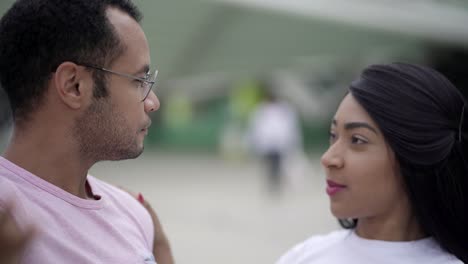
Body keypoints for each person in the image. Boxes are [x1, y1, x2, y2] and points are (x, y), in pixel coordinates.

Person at [0, 0, 174, 263]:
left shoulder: (132, 212)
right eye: (138, 81)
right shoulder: (8, 219)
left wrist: (160, 247)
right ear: (74, 85)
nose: (153, 103)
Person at [277, 63, 467, 263]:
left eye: (357, 140)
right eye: (333, 135)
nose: (328, 159)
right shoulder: (305, 256)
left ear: (413, 154)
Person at [248, 87, 302, 194]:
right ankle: (273, 184)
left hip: (279, 143)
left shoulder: (284, 109)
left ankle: (276, 184)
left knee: (277, 164)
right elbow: (257, 128)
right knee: (270, 165)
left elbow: (290, 127)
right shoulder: (262, 110)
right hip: (268, 143)